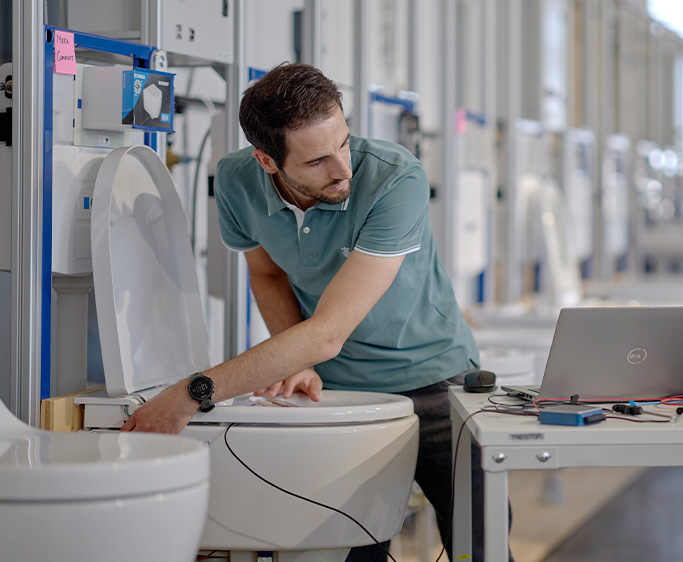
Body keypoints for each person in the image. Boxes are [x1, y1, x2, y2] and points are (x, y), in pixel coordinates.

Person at [121, 62, 498, 561]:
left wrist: (192, 394)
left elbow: (326, 335)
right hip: (340, 392)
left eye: (344, 142)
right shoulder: (236, 181)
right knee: (347, 548)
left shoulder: (394, 179)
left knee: (482, 544)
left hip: (434, 377)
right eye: (318, 159)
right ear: (267, 161)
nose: (343, 168)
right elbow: (268, 274)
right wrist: (296, 361)